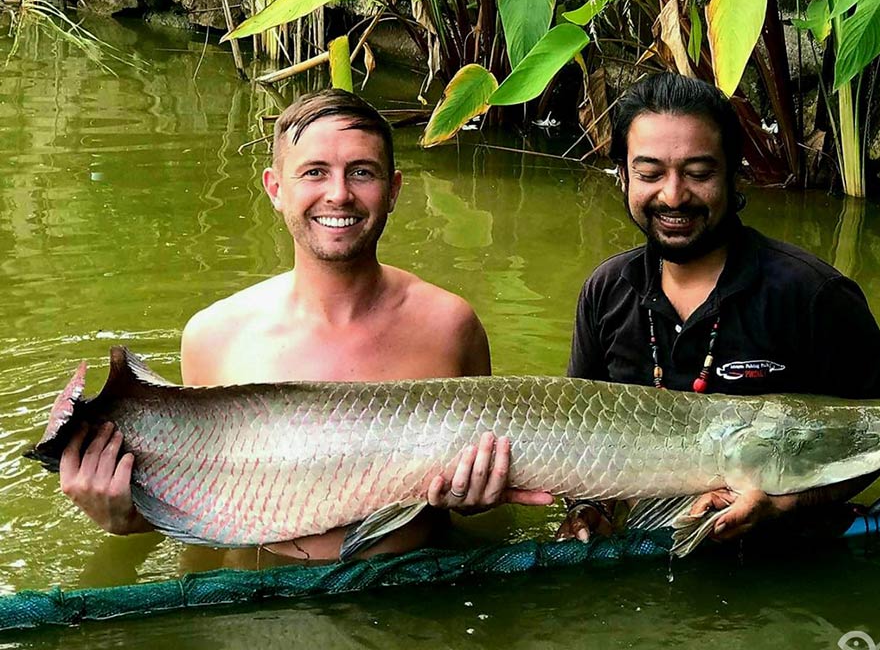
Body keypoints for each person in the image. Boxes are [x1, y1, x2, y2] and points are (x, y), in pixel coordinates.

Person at [60, 88, 552, 560]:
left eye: (361, 172)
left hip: (415, 597)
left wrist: (479, 499)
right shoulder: (215, 336)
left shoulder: (449, 324)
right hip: (264, 597)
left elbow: (487, 493)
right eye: (315, 172)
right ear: (275, 188)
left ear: (394, 189)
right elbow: (205, 512)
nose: (339, 194)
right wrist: (129, 518)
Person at [556, 73, 880, 545]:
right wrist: (589, 508)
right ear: (624, 177)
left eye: (699, 173)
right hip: (649, 559)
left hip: (781, 567)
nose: (673, 196)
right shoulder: (605, 291)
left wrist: (784, 505)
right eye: (650, 174)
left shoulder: (814, 295)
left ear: (732, 173)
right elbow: (575, 435)